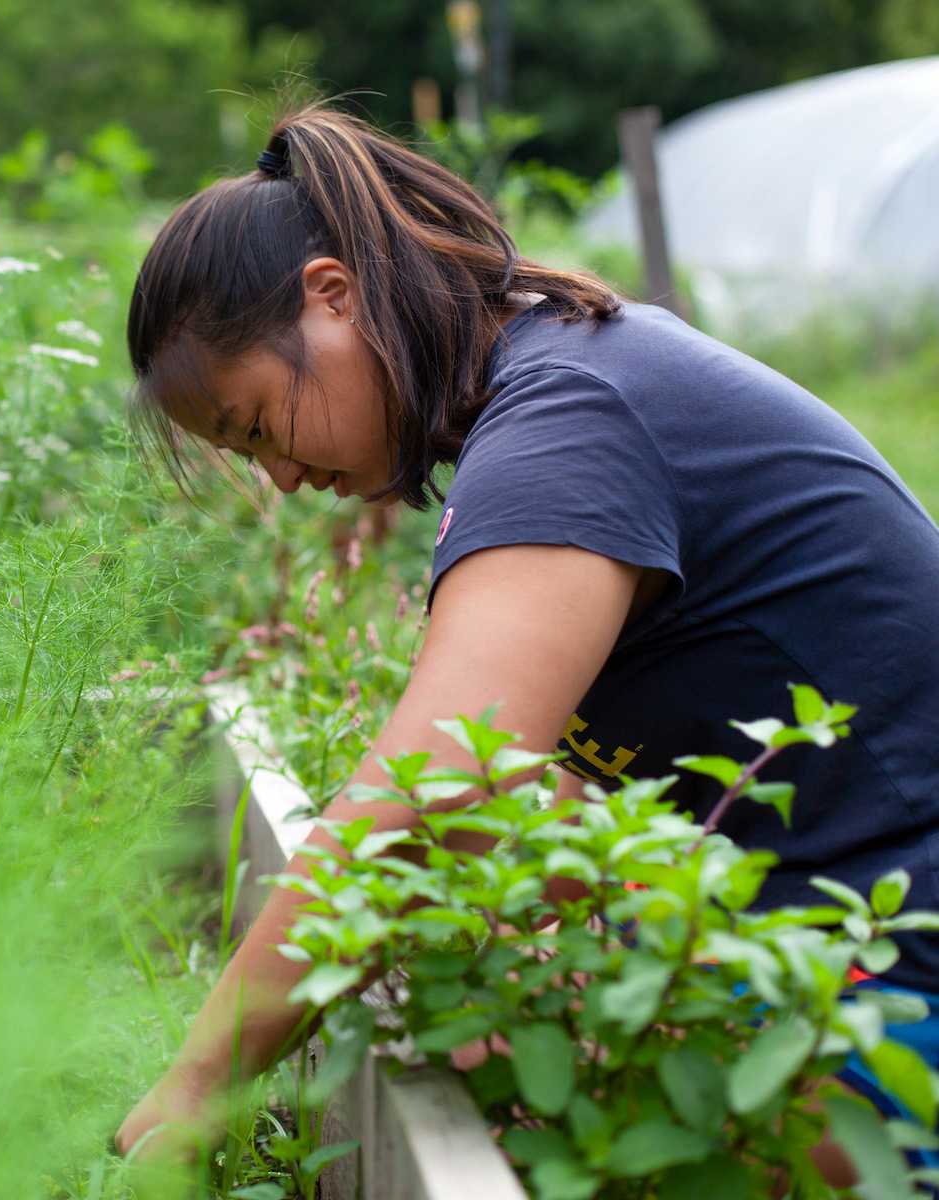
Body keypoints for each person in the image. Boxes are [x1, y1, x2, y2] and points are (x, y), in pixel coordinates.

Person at [115, 104, 939, 1181]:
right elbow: (481, 808)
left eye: (260, 426)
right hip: (816, 943)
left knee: (469, 981)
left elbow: (429, 793)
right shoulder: (553, 376)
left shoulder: (569, 421)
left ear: (333, 296)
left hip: (900, 990)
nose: (278, 479)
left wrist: (194, 1086)